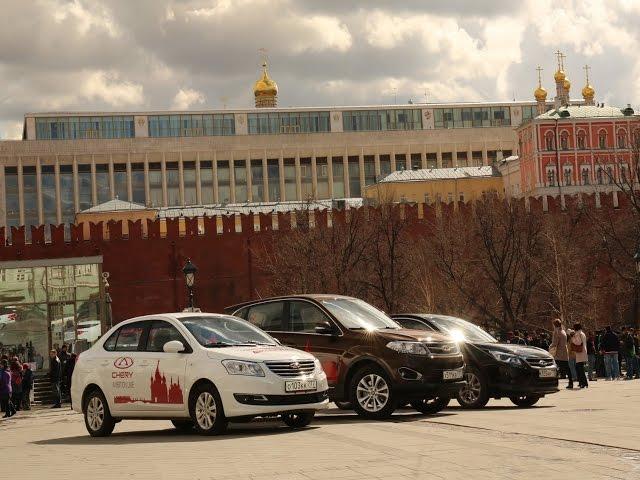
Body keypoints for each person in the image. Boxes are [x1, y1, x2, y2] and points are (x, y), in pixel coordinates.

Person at [550, 319, 574, 389]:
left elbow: (555, 343)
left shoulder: (556, 332)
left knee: (554, 368)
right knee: (567, 368)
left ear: (554, 325)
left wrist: (550, 347)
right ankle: (571, 382)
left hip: (558, 354)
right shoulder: (563, 331)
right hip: (564, 353)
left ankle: (554, 384)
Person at [571, 323, 589, 388]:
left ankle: (583, 383)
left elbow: (578, 342)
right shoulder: (582, 333)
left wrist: (573, 338)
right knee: (579, 368)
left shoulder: (578, 334)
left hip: (580, 353)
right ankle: (583, 382)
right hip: (583, 352)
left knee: (580, 369)